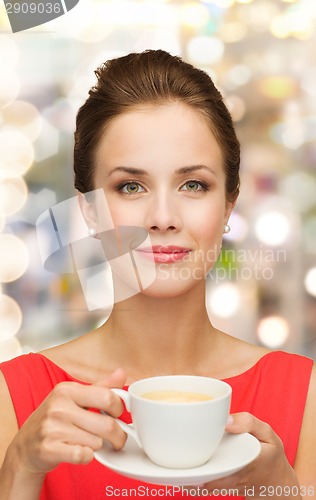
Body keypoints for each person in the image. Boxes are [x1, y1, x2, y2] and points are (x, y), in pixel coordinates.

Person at [0, 49, 315, 500]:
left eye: (194, 185)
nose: (163, 217)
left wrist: (284, 493)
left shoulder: (304, 397)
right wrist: (19, 471)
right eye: (131, 186)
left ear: (228, 204)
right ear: (88, 210)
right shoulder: (15, 397)